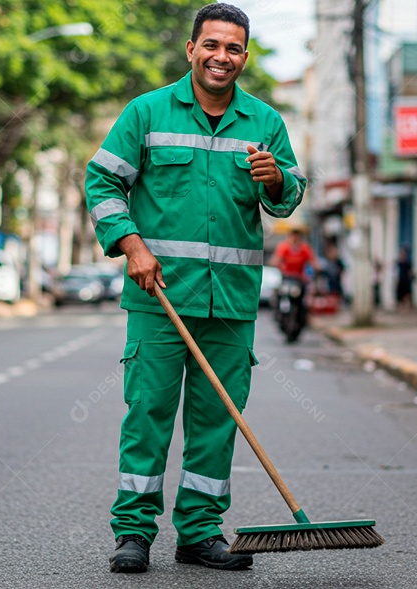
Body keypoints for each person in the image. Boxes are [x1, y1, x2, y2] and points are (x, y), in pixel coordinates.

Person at [84, 3, 306, 574]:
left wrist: (278, 178)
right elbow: (103, 179)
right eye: (211, 45)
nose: (221, 57)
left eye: (233, 48)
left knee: (215, 422)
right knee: (149, 414)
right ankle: (133, 532)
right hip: (158, 297)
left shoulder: (264, 123)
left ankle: (201, 532)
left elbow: (288, 195)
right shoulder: (148, 112)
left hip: (230, 301)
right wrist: (131, 244)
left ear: (245, 57)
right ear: (191, 50)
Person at [395, 245, 414, 310]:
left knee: (407, 294)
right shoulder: (398, 263)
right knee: (400, 294)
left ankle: (408, 306)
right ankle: (402, 306)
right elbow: (396, 272)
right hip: (401, 280)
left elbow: (410, 271)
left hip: (406, 280)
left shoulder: (407, 263)